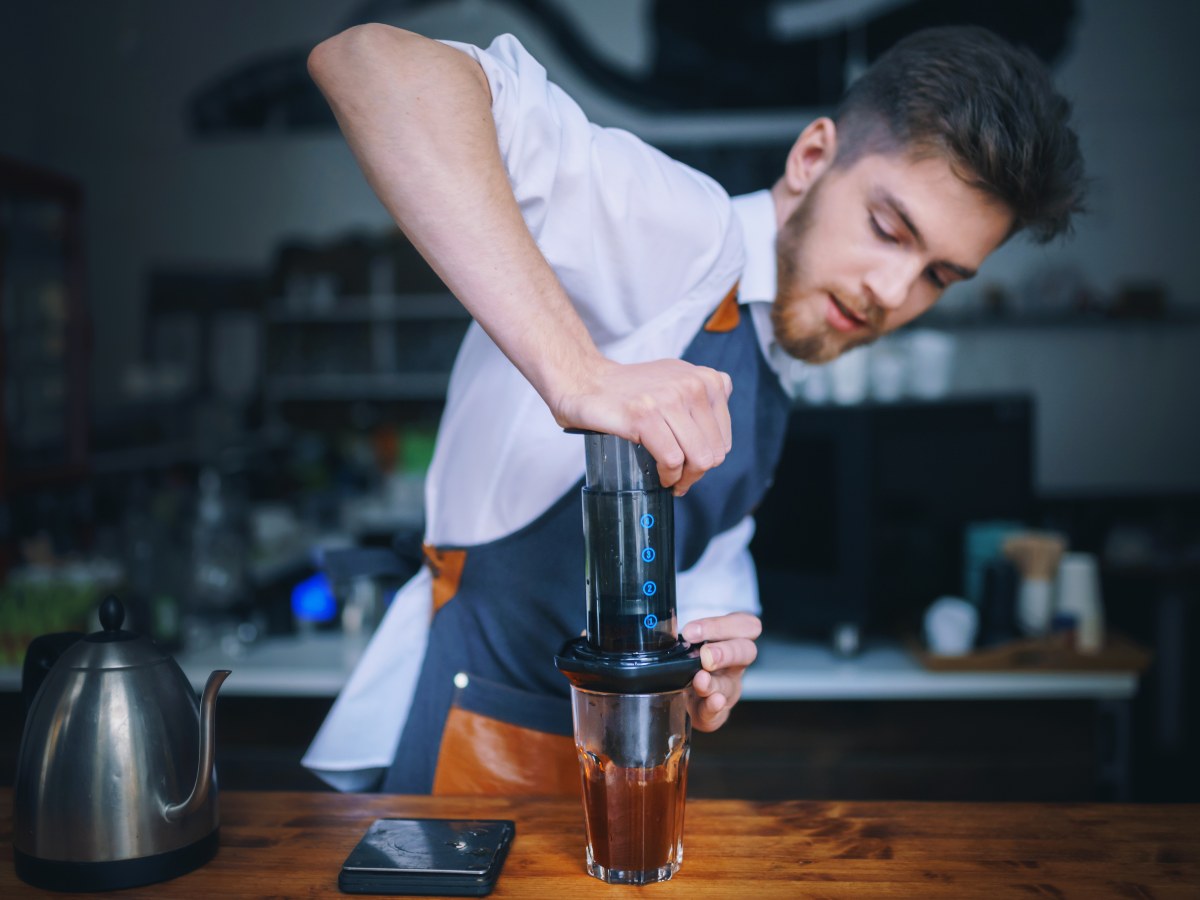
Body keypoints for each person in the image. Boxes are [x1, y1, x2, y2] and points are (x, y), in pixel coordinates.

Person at [301, 23, 1085, 793]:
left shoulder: (777, 362)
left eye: (938, 278)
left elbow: (706, 555)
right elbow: (372, 65)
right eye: (887, 227)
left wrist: (714, 647)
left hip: (588, 770)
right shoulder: (685, 233)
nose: (892, 292)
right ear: (813, 158)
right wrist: (576, 372)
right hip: (467, 747)